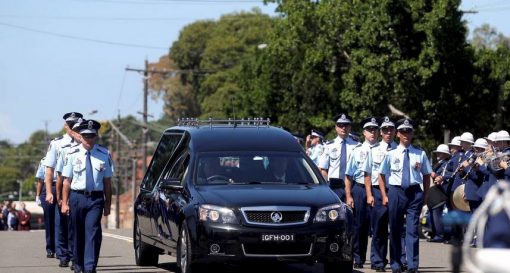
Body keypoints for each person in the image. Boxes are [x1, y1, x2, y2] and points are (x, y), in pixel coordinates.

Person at [378, 118, 432, 273]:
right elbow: (381, 175)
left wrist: (426, 195)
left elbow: (427, 175)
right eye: (403, 131)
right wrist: (384, 194)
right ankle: (395, 263)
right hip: (396, 192)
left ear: (413, 133)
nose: (406, 134)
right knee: (394, 229)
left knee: (413, 231)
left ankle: (413, 265)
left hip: (414, 192)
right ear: (398, 134)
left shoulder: (420, 153)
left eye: (409, 131)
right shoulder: (391, 154)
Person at [61, 119, 113, 273]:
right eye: (86, 136)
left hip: (95, 199)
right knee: (77, 233)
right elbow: (66, 182)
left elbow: (107, 182)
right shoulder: (72, 154)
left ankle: (90, 267)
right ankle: (78, 265)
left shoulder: (104, 154)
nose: (89, 139)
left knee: (92, 231)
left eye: (92, 136)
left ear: (96, 136)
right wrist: (64, 203)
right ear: (80, 136)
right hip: (76, 197)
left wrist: (107, 204)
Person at [44, 111, 83, 267]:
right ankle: (63, 254)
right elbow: (49, 169)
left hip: (77, 187)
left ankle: (75, 255)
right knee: (61, 223)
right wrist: (48, 191)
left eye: (76, 125)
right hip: (59, 186)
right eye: (71, 125)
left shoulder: (84, 141)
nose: (74, 128)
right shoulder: (57, 143)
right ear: (66, 126)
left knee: (75, 224)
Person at [345, 117, 379, 269]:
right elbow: (348, 175)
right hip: (359, 189)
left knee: (378, 225)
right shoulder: (357, 150)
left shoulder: (384, 149)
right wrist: (348, 195)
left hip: (378, 188)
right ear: (364, 132)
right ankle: (358, 257)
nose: (372, 132)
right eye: (369, 130)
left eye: (375, 129)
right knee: (359, 226)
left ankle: (377, 259)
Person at [319, 113, 360, 201]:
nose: (343, 128)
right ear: (336, 127)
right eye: (340, 125)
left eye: (346, 125)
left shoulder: (357, 145)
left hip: (353, 185)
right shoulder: (329, 145)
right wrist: (326, 186)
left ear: (350, 127)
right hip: (335, 186)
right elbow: (323, 169)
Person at [427, 144, 453, 243]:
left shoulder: (447, 163)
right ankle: (436, 233)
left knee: (436, 213)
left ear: (446, 154)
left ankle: (440, 234)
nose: (438, 154)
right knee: (433, 213)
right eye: (438, 152)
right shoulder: (439, 163)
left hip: (441, 191)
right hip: (435, 190)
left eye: (441, 153)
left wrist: (437, 175)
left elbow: (451, 174)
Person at [35, 156, 57, 258]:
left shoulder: (67, 156)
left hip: (61, 187)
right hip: (47, 188)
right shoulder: (44, 160)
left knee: (61, 221)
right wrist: (38, 195)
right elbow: (40, 179)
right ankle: (50, 248)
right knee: (49, 221)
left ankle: (61, 248)